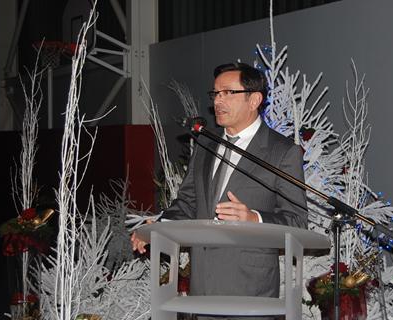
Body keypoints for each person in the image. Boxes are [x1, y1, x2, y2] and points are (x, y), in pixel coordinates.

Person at [131, 62, 308, 319]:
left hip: (250, 288)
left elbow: (298, 221)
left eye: (228, 93)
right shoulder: (206, 143)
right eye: (215, 94)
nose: (218, 101)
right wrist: (158, 227)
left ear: (254, 99)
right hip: (202, 286)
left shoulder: (282, 152)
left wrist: (254, 218)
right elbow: (188, 203)